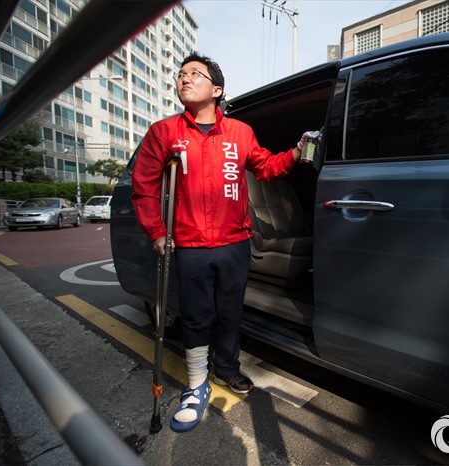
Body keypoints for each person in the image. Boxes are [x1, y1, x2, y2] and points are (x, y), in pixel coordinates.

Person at [131, 52, 318, 433]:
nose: (184, 79)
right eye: (180, 75)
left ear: (216, 89)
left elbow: (266, 167)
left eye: (194, 74)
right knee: (197, 315)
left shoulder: (240, 132)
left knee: (231, 311)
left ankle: (226, 368)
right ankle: (196, 383)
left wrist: (298, 152)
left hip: (234, 242)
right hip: (190, 244)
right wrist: (157, 231)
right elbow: (144, 186)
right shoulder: (165, 132)